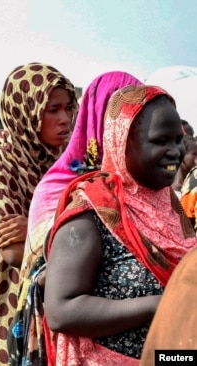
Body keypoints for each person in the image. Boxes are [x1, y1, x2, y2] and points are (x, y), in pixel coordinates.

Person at [44, 85, 196, 364]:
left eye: (178, 141)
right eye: (160, 140)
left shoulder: (171, 206)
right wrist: (157, 306)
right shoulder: (91, 214)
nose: (175, 151)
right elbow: (60, 311)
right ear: (122, 141)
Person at [9, 71, 143, 364]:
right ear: (98, 118)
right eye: (122, 114)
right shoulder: (61, 186)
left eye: (140, 114)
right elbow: (47, 274)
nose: (132, 125)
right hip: (82, 347)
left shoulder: (148, 185)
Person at [0, 62, 77, 365]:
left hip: (50, 302)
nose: (65, 119)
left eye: (68, 108)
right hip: (5, 301)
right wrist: (65, 231)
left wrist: (36, 228)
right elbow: (14, 253)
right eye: (52, 109)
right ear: (25, 110)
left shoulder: (63, 162)